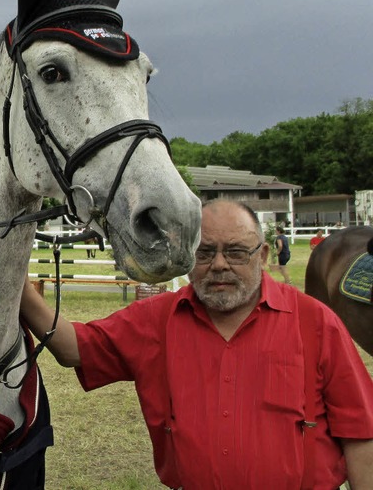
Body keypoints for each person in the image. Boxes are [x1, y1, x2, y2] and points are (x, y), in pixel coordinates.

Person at [20, 199, 373, 489]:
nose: (219, 265)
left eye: (236, 252)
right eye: (204, 253)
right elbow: (74, 349)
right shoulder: (157, 321)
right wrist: (16, 286)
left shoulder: (316, 322)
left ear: (263, 256)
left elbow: (361, 434)